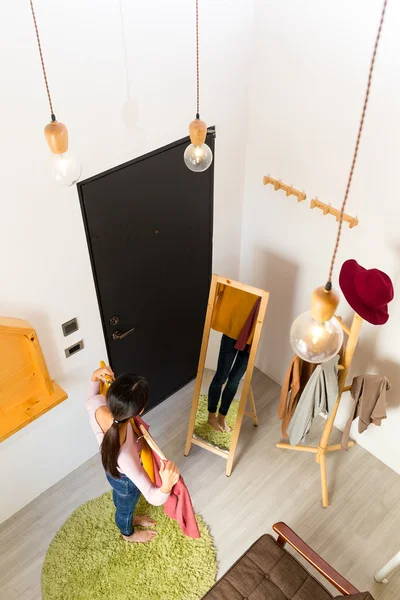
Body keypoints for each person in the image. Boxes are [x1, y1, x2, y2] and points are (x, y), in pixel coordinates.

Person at [86, 365, 180, 543]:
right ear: (139, 412)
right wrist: (167, 485)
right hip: (125, 479)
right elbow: (153, 497)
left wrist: (94, 378)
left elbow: (91, 397)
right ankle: (127, 533)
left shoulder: (96, 405)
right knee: (125, 509)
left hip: (112, 471)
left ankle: (127, 513)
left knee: (121, 497)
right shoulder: (127, 458)